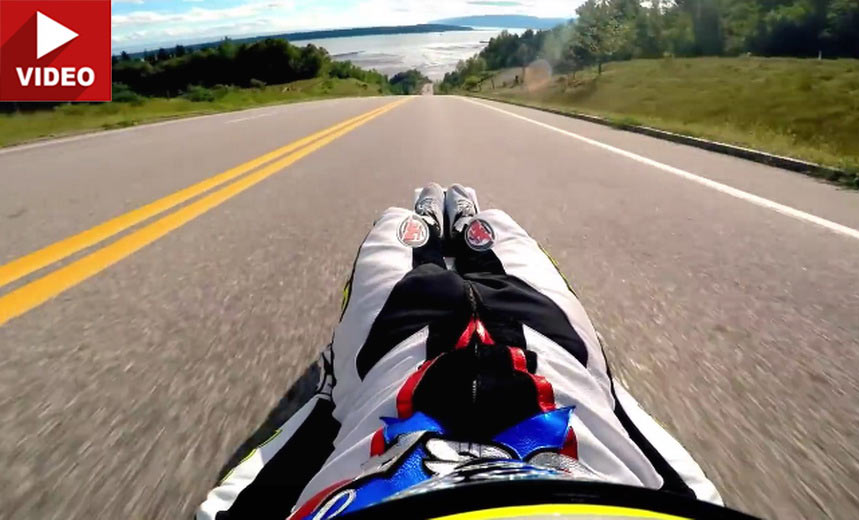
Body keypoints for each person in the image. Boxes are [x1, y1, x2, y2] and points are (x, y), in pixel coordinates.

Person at [197, 184, 755, 520]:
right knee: (500, 236)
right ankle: (466, 222)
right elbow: (665, 460)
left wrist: (331, 394)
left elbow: (234, 502)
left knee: (398, 231)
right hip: (544, 351)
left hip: (400, 350)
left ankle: (437, 219)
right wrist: (604, 386)